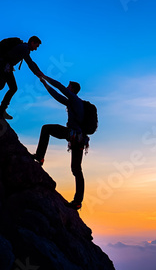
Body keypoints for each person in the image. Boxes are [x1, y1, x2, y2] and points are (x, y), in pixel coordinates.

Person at [32, 75, 89, 210]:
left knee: (46, 129)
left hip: (74, 136)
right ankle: (78, 201)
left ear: (72, 89)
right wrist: (44, 84)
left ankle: (40, 156)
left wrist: (44, 76)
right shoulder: (72, 102)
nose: (67, 87)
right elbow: (56, 94)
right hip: (77, 139)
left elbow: (59, 88)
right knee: (76, 169)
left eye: (69, 87)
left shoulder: (75, 100)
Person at [0, 36, 46, 119]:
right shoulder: (25, 48)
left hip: (4, 65)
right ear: (32, 42)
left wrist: (40, 72)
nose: (36, 49)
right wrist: (37, 73)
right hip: (6, 66)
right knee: (13, 88)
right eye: (36, 46)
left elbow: (31, 62)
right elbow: (29, 62)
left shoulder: (24, 47)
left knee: (0, 86)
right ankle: (1, 110)